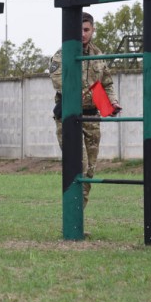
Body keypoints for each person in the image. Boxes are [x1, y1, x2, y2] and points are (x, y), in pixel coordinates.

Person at [49, 12, 121, 208]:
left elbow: (106, 83)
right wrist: (80, 92)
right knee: (77, 165)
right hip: (69, 116)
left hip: (91, 116)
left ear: (93, 30)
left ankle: (79, 216)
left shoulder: (99, 56)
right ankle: (72, 216)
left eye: (86, 30)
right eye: (79, 29)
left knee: (89, 170)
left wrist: (112, 102)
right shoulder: (62, 54)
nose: (82, 34)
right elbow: (59, 82)